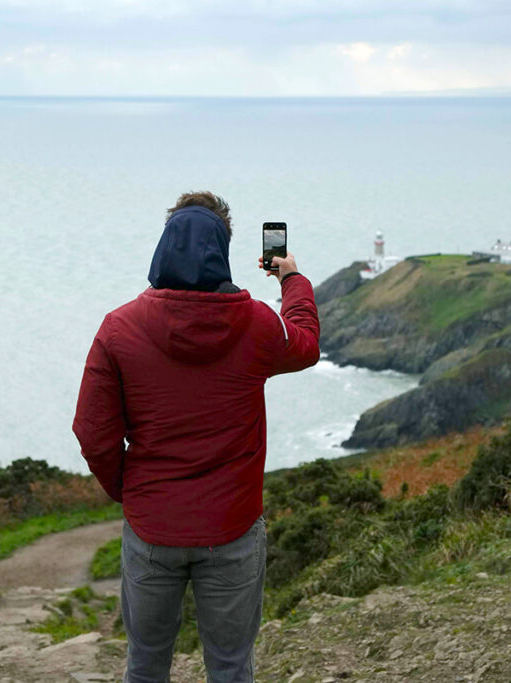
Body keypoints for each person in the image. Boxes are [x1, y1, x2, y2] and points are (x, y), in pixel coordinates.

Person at [72, 190, 320, 682]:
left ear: (164, 246)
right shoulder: (256, 325)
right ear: (220, 251)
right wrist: (290, 278)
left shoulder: (117, 329)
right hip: (232, 529)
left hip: (151, 530)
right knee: (229, 667)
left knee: (145, 664)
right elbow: (306, 345)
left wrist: (136, 493)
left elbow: (93, 432)